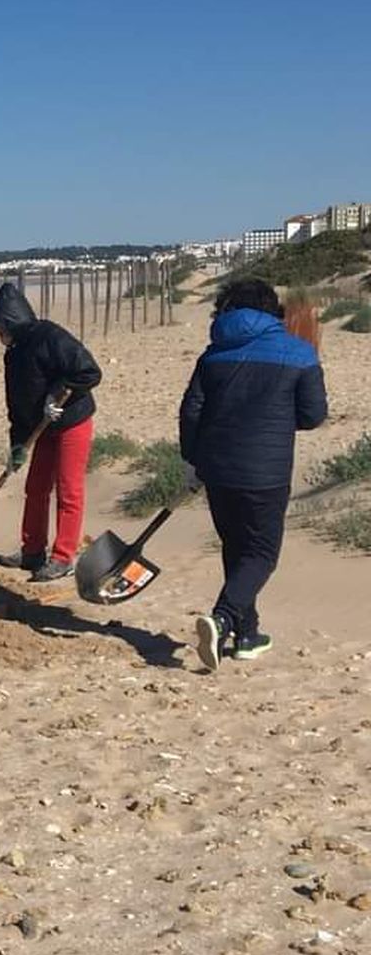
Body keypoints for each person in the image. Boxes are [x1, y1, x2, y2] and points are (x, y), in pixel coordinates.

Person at [179, 277, 327, 671]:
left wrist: (191, 462)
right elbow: (313, 416)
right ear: (271, 309)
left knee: (236, 547)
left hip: (217, 468)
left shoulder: (213, 354)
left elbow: (192, 410)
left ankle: (247, 634)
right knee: (261, 553)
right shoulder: (299, 353)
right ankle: (224, 619)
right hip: (266, 471)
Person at [0, 283, 103, 582]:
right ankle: (32, 550)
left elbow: (89, 371)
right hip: (42, 427)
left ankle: (63, 557)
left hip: (72, 420)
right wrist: (17, 447)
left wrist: (57, 393)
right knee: (35, 487)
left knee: (68, 489)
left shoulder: (50, 336)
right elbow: (18, 404)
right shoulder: (13, 355)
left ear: (11, 322)